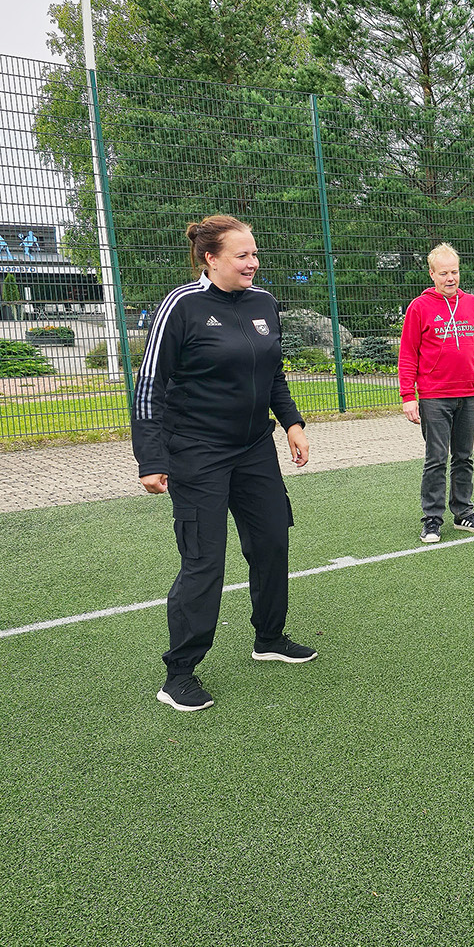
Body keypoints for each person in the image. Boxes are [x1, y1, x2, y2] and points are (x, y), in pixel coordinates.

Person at [133, 214, 317, 713]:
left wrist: (292, 424)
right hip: (198, 451)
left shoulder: (264, 304)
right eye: (242, 255)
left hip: (255, 448)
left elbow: (272, 372)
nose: (253, 263)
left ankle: (270, 638)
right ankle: (179, 673)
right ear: (210, 258)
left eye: (255, 254)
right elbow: (149, 387)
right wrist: (151, 458)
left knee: (272, 540)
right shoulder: (182, 306)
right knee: (204, 559)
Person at [398, 242, 474, 543]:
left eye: (454, 272)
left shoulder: (473, 305)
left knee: (464, 456)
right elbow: (408, 355)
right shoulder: (419, 308)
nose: (450, 278)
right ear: (432, 274)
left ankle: (464, 513)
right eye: (443, 273)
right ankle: (432, 519)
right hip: (434, 397)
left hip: (469, 395)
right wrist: (408, 396)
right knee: (436, 458)